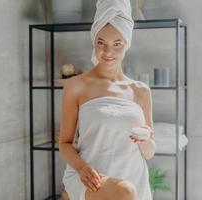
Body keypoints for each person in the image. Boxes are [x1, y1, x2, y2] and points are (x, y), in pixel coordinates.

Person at [59, 1, 156, 200]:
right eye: (101, 43)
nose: (108, 52)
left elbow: (148, 153)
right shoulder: (76, 86)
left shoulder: (140, 91)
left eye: (117, 44)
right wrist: (82, 168)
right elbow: (65, 143)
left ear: (126, 44)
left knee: (128, 190)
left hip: (133, 175)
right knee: (125, 191)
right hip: (90, 176)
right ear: (94, 41)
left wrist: (145, 138)